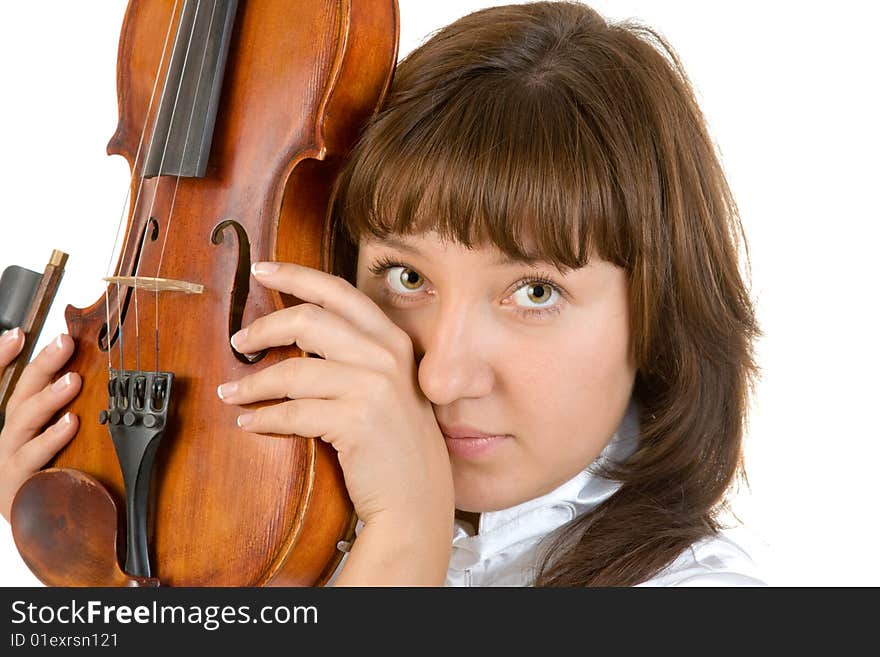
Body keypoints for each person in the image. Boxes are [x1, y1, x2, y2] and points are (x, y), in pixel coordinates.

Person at [0, 1, 765, 586]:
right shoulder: (262, 537)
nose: (439, 376)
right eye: (406, 278)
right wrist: (103, 572)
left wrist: (407, 537)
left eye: (535, 290)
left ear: (658, 315)